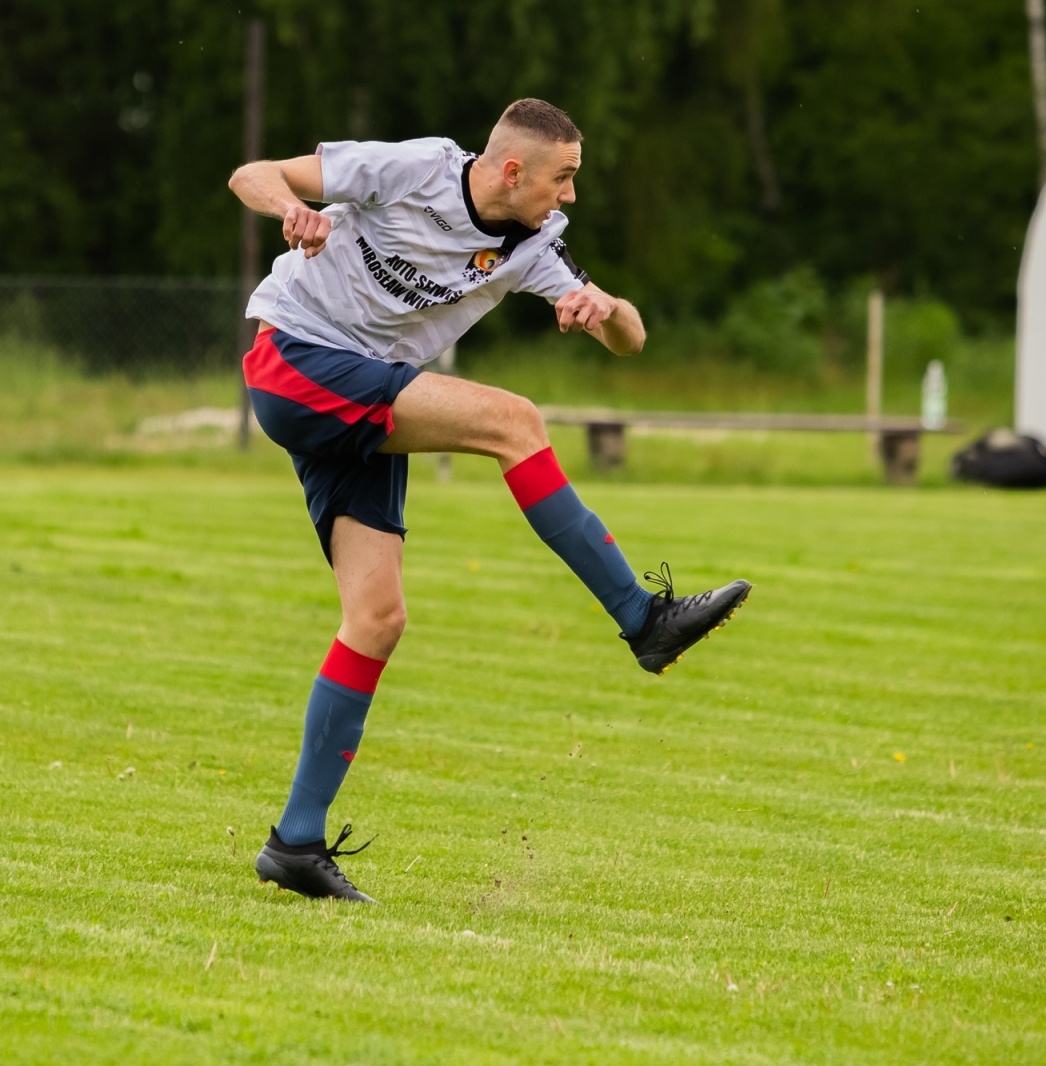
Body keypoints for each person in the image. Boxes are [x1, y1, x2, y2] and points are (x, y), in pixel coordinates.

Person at [228, 99, 751, 903]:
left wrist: (604, 312)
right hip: (295, 361)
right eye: (564, 178)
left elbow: (633, 338)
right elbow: (252, 173)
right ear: (514, 171)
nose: (571, 196)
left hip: (361, 399)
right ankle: (642, 621)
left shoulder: (535, 243)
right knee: (513, 420)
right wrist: (292, 208)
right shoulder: (413, 170)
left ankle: (295, 843)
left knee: (377, 619)